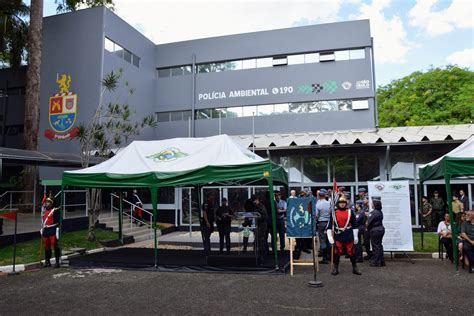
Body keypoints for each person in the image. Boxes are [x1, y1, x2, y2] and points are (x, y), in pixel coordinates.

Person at [326, 196, 361, 276]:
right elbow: (329, 226)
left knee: (351, 252)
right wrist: (330, 237)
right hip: (338, 234)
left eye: (344, 203)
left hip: (348, 234)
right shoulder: (334, 213)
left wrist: (355, 236)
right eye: (341, 203)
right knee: (337, 252)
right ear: (338, 204)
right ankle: (335, 268)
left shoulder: (350, 212)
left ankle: (355, 268)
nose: (342, 204)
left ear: (346, 204)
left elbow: (355, 225)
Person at [41, 196, 61, 268]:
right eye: (46, 202)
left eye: (49, 202)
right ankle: (47, 261)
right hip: (46, 230)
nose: (47, 203)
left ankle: (57, 262)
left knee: (55, 245)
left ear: (52, 203)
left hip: (53, 229)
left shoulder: (55, 211)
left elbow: (58, 222)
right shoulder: (44, 211)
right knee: (46, 246)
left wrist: (58, 230)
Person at [367, 197, 385, 267]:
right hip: (381, 229)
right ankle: (381, 261)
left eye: (372, 203)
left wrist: (367, 226)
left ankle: (376, 262)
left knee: (375, 246)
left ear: (374, 205)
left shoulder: (373, 212)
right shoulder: (380, 212)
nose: (371, 204)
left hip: (375, 230)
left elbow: (368, 222)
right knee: (379, 245)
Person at [316, 189, 330, 264]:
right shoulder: (329, 203)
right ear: (325, 195)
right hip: (329, 223)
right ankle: (329, 256)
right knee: (329, 239)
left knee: (322, 240)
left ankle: (325, 258)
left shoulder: (318, 205)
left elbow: (316, 215)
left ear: (319, 196)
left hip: (321, 223)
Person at [252, 195, 267, 265]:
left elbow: (264, 216)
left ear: (257, 200)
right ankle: (257, 256)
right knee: (257, 241)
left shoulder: (261, 206)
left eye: (254, 200)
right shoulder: (256, 206)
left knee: (261, 241)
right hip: (257, 226)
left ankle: (262, 257)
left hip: (262, 226)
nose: (254, 202)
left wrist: (258, 217)